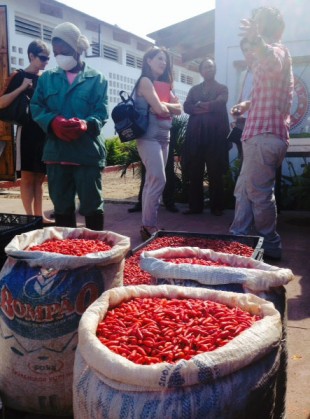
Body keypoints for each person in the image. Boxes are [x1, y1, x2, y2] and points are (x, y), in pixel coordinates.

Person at [229, 7, 294, 260]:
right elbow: (264, 93)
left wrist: (257, 40)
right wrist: (245, 105)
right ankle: (239, 236)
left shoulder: (277, 49)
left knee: (257, 192)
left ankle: (270, 242)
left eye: (258, 22)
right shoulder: (265, 58)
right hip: (260, 135)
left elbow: (273, 63)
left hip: (265, 135)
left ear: (266, 28)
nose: (253, 24)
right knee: (244, 190)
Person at [31, 22, 108, 230]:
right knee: (62, 207)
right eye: (56, 53)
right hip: (57, 154)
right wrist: (52, 121)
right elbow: (36, 106)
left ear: (77, 48)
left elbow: (101, 113)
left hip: (86, 154)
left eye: (64, 51)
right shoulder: (47, 78)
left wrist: (85, 124)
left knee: (92, 206)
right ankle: (67, 255)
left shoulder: (97, 79)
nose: (59, 56)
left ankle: (95, 254)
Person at [0, 40, 53, 225]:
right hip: (27, 132)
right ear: (31, 56)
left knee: (39, 177)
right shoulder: (18, 76)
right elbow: (1, 102)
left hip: (44, 132)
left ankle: (39, 217)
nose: (47, 62)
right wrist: (22, 88)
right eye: (43, 58)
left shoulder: (46, 79)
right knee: (28, 176)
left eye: (48, 58)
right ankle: (29, 217)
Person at [134, 46, 182, 240]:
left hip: (165, 136)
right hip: (149, 136)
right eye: (159, 59)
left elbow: (178, 109)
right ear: (149, 61)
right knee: (159, 179)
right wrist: (164, 108)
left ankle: (146, 225)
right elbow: (160, 110)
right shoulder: (145, 81)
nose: (163, 63)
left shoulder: (164, 85)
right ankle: (149, 225)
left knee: (151, 182)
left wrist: (165, 107)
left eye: (165, 60)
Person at [182, 57, 230, 216]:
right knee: (195, 172)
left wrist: (200, 106)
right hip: (196, 136)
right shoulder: (194, 90)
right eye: (205, 67)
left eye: (211, 66)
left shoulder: (222, 88)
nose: (209, 69)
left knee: (215, 172)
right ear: (200, 71)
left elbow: (220, 103)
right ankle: (195, 207)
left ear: (215, 69)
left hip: (215, 137)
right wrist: (208, 107)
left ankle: (217, 207)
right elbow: (186, 107)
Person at [128, 131, 179, 214]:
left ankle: (169, 203)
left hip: (165, 134)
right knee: (146, 172)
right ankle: (142, 203)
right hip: (148, 133)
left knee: (168, 171)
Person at [230, 37, 255, 161]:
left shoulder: (264, 72)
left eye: (251, 49)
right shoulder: (243, 74)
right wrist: (236, 116)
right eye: (245, 50)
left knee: (255, 161)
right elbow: (241, 98)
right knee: (242, 159)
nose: (248, 52)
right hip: (242, 123)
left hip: (257, 123)